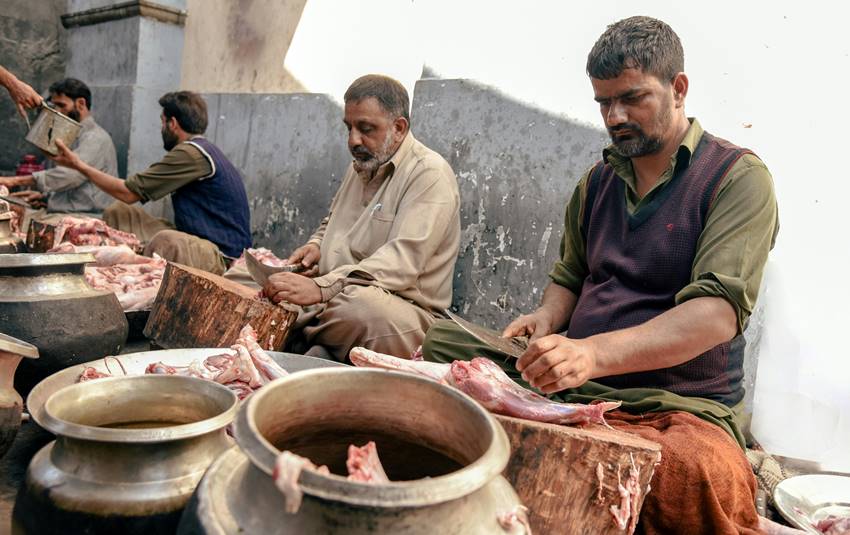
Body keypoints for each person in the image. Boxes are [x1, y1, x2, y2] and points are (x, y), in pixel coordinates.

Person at [422, 16, 778, 535]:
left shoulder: (737, 179)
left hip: (674, 401)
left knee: (692, 471)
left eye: (632, 98)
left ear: (678, 89)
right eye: (603, 103)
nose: (615, 116)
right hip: (577, 381)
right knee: (440, 345)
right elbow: (570, 275)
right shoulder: (598, 181)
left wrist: (591, 354)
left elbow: (716, 315)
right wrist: (547, 318)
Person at [262, 74, 460, 361]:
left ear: (399, 128)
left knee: (360, 310)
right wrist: (316, 247)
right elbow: (331, 221)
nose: (353, 140)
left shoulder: (429, 174)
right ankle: (318, 345)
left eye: (366, 128)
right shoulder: (363, 162)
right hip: (337, 292)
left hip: (400, 310)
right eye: (349, 127)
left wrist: (321, 288)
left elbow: (402, 263)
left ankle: (300, 338)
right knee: (249, 278)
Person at [50, 91, 252, 274]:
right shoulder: (198, 150)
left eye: (163, 123)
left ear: (173, 123)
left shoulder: (192, 153)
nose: (162, 128)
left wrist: (78, 165)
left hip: (221, 255)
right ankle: (123, 261)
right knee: (120, 212)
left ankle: (126, 271)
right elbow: (129, 196)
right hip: (196, 237)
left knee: (167, 241)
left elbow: (128, 193)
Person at [0, 78, 117, 219]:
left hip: (86, 217)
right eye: (54, 106)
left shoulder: (96, 138)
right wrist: (46, 198)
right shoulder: (70, 134)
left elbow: (71, 175)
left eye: (62, 105)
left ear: (81, 103)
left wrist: (14, 181)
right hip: (62, 211)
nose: (57, 112)